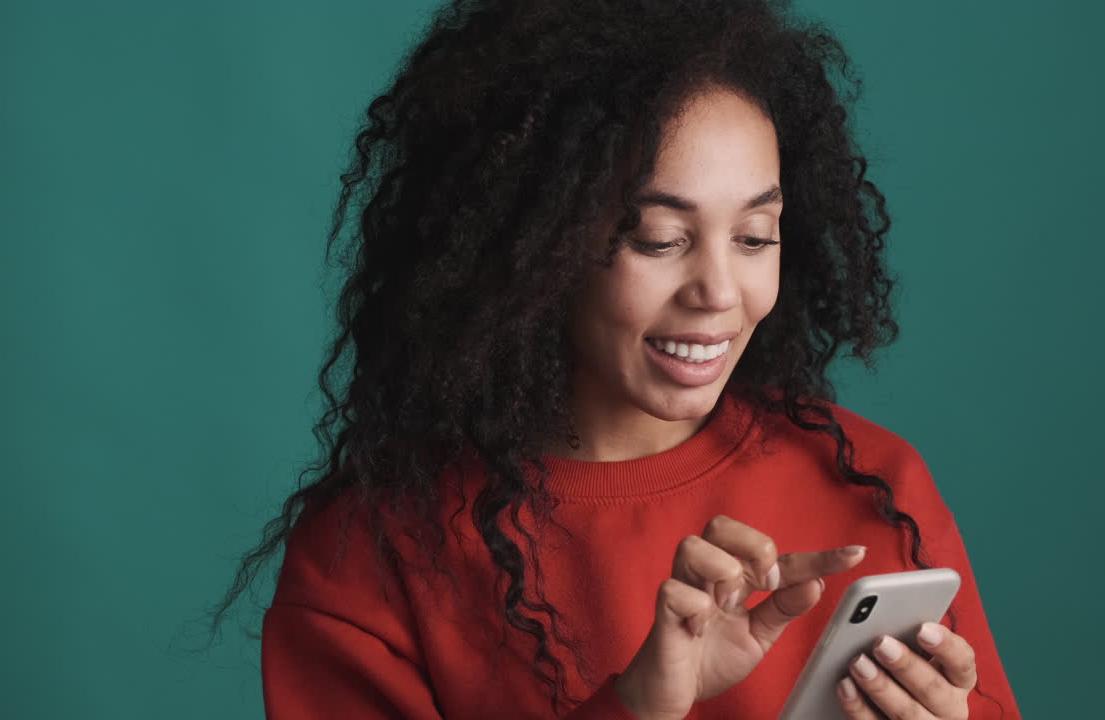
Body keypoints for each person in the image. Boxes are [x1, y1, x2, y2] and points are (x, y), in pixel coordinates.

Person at [213, 0, 1022, 717]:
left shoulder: (876, 487)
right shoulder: (368, 561)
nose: (718, 292)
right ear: (533, 245)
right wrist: (637, 707)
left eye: (754, 237)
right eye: (659, 239)